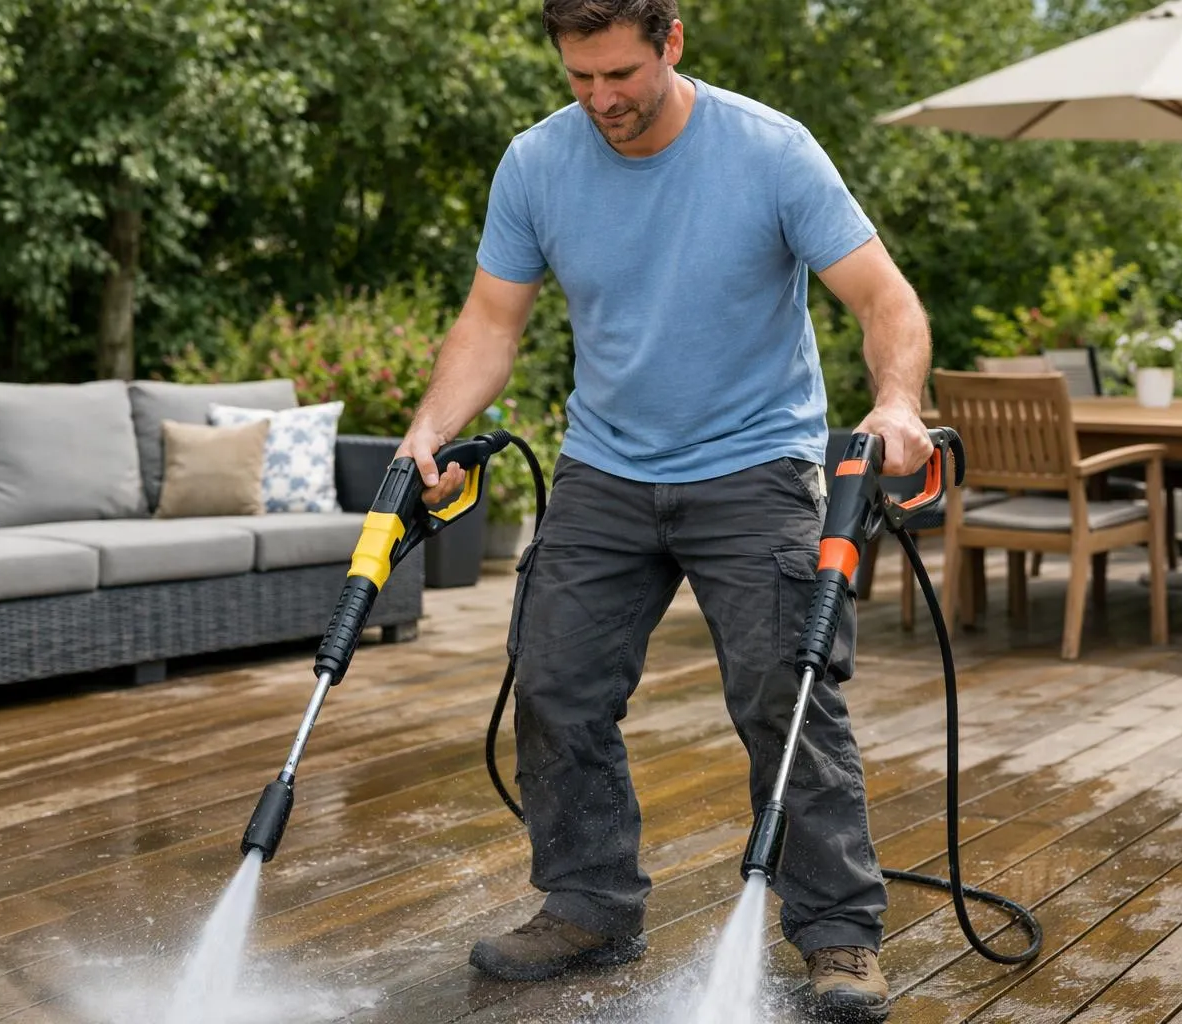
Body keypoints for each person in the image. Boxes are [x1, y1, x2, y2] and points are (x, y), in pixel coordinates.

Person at [394, 1, 933, 1018]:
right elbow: (490, 321)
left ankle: (837, 934)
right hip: (605, 464)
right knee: (552, 679)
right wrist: (429, 428)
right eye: (579, 78)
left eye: (620, 75)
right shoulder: (537, 163)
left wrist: (897, 400)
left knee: (786, 688)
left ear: (671, 42)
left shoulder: (771, 150)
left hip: (754, 464)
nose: (601, 100)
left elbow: (884, 298)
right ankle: (591, 902)